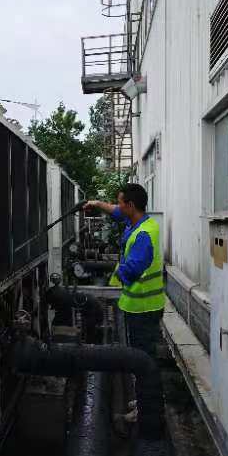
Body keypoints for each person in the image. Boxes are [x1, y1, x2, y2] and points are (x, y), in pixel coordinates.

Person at [84, 183, 165, 436]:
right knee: (141, 358)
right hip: (139, 306)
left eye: (120, 202)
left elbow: (133, 269)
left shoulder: (143, 235)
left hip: (143, 308)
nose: (117, 207)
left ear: (131, 205)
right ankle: (142, 401)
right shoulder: (139, 222)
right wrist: (97, 204)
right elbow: (116, 213)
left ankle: (148, 412)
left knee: (144, 361)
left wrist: (115, 274)